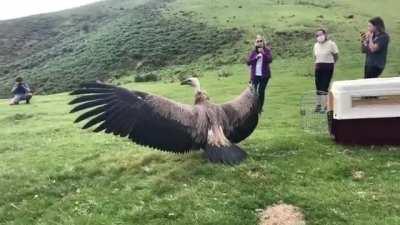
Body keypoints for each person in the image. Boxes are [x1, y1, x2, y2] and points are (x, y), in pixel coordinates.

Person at [313, 28, 339, 113]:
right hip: (318, 67)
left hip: (328, 67)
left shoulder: (331, 44)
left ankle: (326, 106)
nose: (319, 37)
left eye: (321, 34)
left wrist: (332, 63)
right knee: (318, 87)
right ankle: (318, 105)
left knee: (324, 86)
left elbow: (336, 55)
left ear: (325, 35)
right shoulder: (316, 45)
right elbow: (316, 57)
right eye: (317, 35)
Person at [246, 35, 272, 111]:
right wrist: (255, 58)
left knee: (261, 91)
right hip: (255, 75)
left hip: (265, 76)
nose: (259, 42)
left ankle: (260, 107)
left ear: (263, 42)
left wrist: (263, 53)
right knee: (253, 91)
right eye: (258, 41)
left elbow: (270, 60)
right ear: (255, 43)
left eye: (261, 41)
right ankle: (253, 106)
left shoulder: (267, 51)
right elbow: (248, 62)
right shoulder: (253, 52)